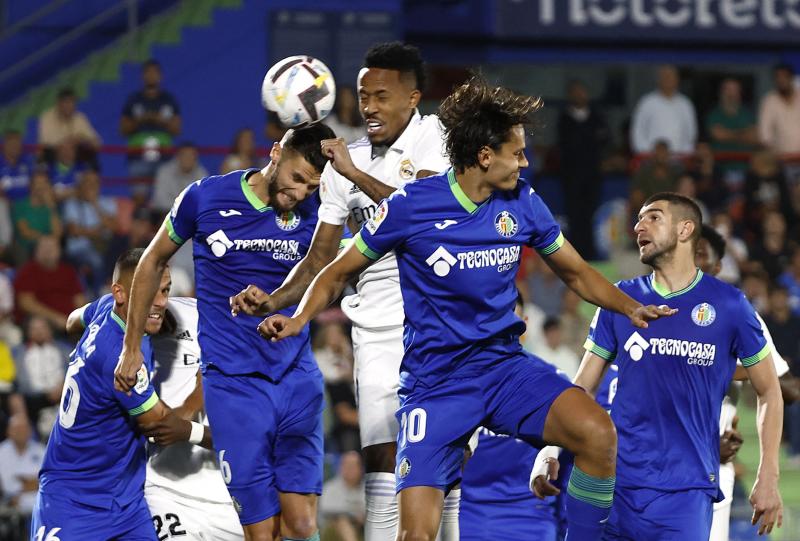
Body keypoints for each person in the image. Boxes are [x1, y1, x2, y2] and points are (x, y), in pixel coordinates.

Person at [257, 76, 675, 541]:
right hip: (437, 383)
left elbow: (576, 273)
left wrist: (630, 307)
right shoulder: (412, 205)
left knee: (597, 432)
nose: (526, 162)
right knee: (416, 535)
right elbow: (337, 270)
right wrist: (298, 318)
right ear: (485, 156)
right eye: (517, 153)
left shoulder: (522, 202)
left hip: (504, 369)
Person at [230, 41, 454, 541]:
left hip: (441, 324)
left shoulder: (435, 138)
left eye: (381, 96)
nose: (369, 106)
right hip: (375, 330)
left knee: (446, 459)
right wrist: (277, 301)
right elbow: (319, 260)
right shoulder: (343, 164)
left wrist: (354, 174)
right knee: (381, 457)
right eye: (363, 96)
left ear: (412, 98)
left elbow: (429, 217)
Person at [114, 124, 336, 541]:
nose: (300, 193)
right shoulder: (205, 197)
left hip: (296, 378)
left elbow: (328, 272)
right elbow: (151, 261)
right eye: (296, 178)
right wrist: (132, 347)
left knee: (303, 525)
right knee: (262, 533)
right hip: (234, 386)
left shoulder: (322, 208)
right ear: (275, 153)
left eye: (311, 186)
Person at [535, 193, 783, 539]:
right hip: (613, 485)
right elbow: (582, 389)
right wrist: (550, 448)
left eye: (653, 217)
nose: (639, 226)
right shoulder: (619, 300)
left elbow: (770, 390)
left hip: (686, 492)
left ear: (685, 229)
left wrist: (768, 475)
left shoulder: (730, 306)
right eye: (638, 219)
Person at [31, 249, 210, 540]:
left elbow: (72, 321)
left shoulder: (106, 307)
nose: (161, 302)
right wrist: (199, 396)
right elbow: (161, 427)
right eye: (150, 292)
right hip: (73, 501)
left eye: (165, 290)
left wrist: (92, 345)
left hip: (126, 503)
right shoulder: (122, 362)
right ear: (120, 292)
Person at [67, 294, 244, 540]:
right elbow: (72, 322)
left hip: (229, 496)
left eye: (163, 287)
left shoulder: (204, 315)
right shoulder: (117, 321)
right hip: (163, 490)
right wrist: (105, 324)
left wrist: (188, 413)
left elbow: (243, 432)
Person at [460, 294, 570, 541]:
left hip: (529, 513)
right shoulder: (457, 381)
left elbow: (558, 442)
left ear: (524, 324)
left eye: (511, 321)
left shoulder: (553, 381)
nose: (503, 331)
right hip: (466, 513)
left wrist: (548, 456)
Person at [557, 79, 609, 260]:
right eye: (575, 92)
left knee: (591, 215)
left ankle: (591, 255)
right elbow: (567, 145)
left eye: (582, 91)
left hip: (593, 176)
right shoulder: (564, 119)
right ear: (569, 95)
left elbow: (605, 139)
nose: (579, 95)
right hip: (572, 177)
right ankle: (576, 256)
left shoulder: (597, 116)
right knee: (575, 217)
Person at [120, 59, 182, 182]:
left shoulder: (169, 100)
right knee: (139, 193)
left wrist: (161, 120)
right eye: (148, 72)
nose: (151, 76)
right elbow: (123, 129)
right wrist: (141, 119)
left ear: (160, 76)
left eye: (155, 72)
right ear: (142, 76)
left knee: (165, 192)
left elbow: (177, 129)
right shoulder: (133, 100)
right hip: (138, 156)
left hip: (164, 157)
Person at [62, 168, 117, 293]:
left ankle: (108, 289)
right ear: (81, 185)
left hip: (105, 245)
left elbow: (113, 227)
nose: (90, 186)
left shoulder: (107, 202)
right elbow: (74, 231)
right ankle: (97, 294)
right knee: (96, 261)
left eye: (94, 183)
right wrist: (98, 230)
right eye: (87, 182)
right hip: (78, 248)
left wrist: (94, 203)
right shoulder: (72, 203)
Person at [14, 236, 85, 330]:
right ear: (36, 251)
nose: (47, 251)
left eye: (51, 248)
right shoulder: (28, 271)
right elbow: (26, 303)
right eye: (44, 248)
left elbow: (79, 299)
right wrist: (55, 318)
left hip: (69, 320)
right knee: (38, 324)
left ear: (59, 251)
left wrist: (79, 318)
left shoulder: (68, 271)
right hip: (42, 319)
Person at [630, 65, 697, 154]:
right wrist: (645, 152)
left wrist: (685, 152)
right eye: (665, 76)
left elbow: (691, 133)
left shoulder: (685, 104)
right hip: (651, 157)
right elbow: (638, 131)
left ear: (677, 79)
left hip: (679, 157)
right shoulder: (647, 102)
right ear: (659, 79)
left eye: (671, 76)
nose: (668, 80)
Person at [11, 170, 62, 261]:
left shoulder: (51, 206)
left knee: (56, 253)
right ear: (30, 186)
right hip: (27, 246)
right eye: (37, 183)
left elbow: (58, 233)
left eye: (44, 183)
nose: (41, 187)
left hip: (48, 246)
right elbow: (24, 231)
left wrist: (51, 207)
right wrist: (44, 240)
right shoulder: (20, 205)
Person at [0, 414, 44, 520]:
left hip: (40, 498)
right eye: (17, 429)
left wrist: (26, 482)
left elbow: (46, 480)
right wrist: (32, 482)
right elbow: (6, 486)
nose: (21, 432)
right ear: (8, 431)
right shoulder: (1, 452)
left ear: (30, 431)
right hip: (9, 501)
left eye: (24, 429)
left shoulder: (41, 450)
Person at [319, 451, 366, 541]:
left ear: (361, 469)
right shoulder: (330, 487)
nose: (349, 469)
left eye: (353, 466)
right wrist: (353, 515)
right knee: (342, 521)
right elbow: (326, 510)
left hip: (362, 528)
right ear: (340, 468)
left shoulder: (368, 488)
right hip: (332, 530)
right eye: (346, 465)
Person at [37, 87, 101, 152]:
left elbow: (96, 143)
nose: (70, 106)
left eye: (72, 102)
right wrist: (72, 141)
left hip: (75, 155)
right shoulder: (47, 117)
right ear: (58, 103)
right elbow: (46, 142)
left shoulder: (79, 118)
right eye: (66, 102)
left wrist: (81, 140)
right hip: (52, 154)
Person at [151, 142, 208, 214]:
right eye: (185, 155)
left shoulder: (201, 173)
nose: (188, 159)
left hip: (191, 214)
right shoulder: (165, 171)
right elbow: (160, 199)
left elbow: (203, 200)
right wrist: (182, 209)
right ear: (178, 157)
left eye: (192, 155)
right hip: (164, 213)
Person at [758, 63, 800, 156]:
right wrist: (772, 153)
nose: (781, 80)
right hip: (781, 158)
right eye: (778, 77)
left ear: (791, 78)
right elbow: (765, 133)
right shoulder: (769, 101)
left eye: (784, 77)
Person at [0, 130, 33, 201]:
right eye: (12, 144)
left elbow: (36, 183)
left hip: (26, 202)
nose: (15, 147)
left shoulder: (28, 161)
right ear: (5, 145)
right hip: (4, 202)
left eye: (17, 144)